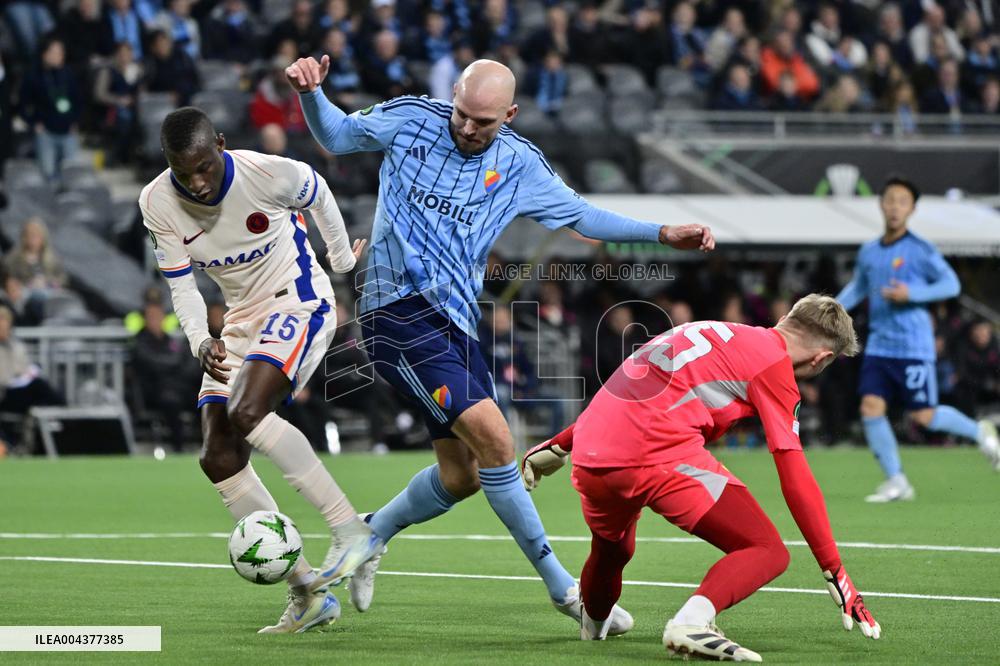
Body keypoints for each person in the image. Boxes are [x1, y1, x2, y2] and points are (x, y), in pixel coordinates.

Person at [285, 55, 715, 630]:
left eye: (483, 122)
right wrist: (313, 94)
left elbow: (583, 218)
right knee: (497, 440)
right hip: (394, 313)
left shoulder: (520, 164)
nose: (466, 128)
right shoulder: (411, 118)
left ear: (509, 115)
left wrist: (661, 233)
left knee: (462, 475)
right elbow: (337, 135)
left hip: (458, 326)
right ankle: (570, 594)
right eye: (462, 114)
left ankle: (371, 531)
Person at [521, 295, 880, 659]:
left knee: (612, 548)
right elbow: (794, 471)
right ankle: (691, 622)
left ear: (786, 317)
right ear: (822, 358)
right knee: (766, 550)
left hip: (591, 454)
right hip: (656, 454)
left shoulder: (707, 330)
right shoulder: (774, 364)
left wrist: (563, 443)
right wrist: (833, 567)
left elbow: (632, 388)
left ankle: (593, 628)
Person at [139, 106, 379, 633]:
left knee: (247, 410)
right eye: (186, 173)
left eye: (205, 166)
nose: (198, 183)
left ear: (221, 144)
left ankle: (351, 529)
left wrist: (339, 260)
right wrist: (202, 339)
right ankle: (308, 593)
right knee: (218, 456)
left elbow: (318, 190)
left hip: (297, 300)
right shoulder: (157, 201)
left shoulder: (267, 173)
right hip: (241, 321)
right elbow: (181, 284)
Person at [836, 175, 999, 502]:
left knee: (924, 415)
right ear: (881, 204)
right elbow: (858, 287)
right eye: (890, 200)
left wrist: (913, 293)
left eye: (902, 201)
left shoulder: (921, 249)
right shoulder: (869, 251)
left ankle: (979, 431)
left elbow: (951, 285)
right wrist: (832, 308)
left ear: (911, 209)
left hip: (913, 346)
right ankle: (897, 480)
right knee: (871, 407)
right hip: (880, 344)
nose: (895, 207)